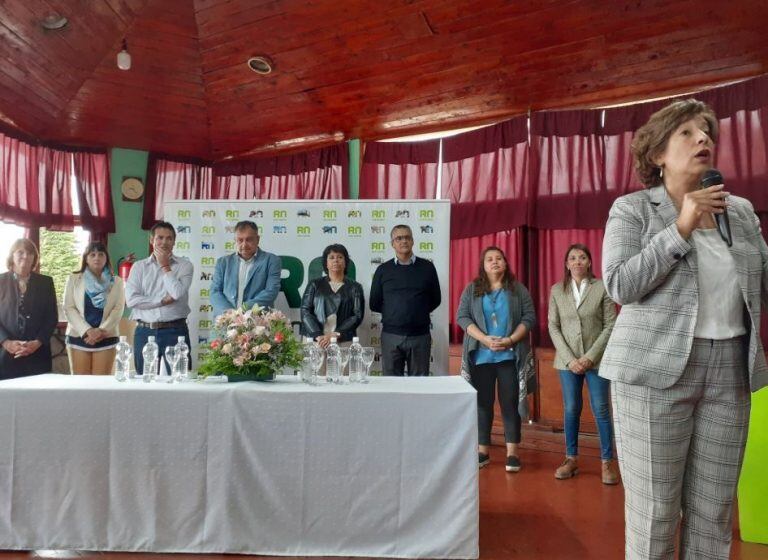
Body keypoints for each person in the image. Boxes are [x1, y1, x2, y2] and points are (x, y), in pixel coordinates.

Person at [601, 98, 768, 559]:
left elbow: (762, 282)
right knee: (656, 512)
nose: (704, 140)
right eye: (688, 133)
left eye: (708, 133)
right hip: (652, 373)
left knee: (714, 512)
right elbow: (621, 284)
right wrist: (682, 226)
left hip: (730, 370)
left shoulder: (741, 212)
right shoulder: (633, 210)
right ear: (657, 154)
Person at [456, 246, 536, 472]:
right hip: (481, 357)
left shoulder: (517, 289)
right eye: (489, 259)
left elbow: (529, 317)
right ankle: (483, 450)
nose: (494, 262)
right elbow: (462, 316)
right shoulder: (472, 289)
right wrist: (483, 339)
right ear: (483, 265)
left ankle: (512, 452)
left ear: (505, 263)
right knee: (483, 404)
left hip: (509, 356)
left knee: (510, 404)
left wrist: (510, 340)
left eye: (498, 258)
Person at [547, 243, 618, 484]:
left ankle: (607, 462)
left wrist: (589, 357)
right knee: (570, 409)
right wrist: (570, 359)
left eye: (582, 257)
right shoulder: (557, 290)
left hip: (596, 361)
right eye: (572, 258)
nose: (577, 261)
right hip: (568, 363)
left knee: (601, 409)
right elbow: (553, 326)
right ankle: (571, 459)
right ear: (566, 264)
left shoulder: (603, 288)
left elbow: (610, 324)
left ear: (589, 262)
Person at [370, 224, 441, 376]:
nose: (404, 241)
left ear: (413, 241)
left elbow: (436, 299)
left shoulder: (427, 267)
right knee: (391, 385)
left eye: (407, 237)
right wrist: (395, 313)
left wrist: (416, 312)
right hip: (391, 336)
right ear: (392, 243)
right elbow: (374, 302)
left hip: (420, 336)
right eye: (399, 238)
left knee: (419, 386)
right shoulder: (383, 270)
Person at [125, 221, 193, 375]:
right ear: (152, 240)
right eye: (160, 238)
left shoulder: (185, 265)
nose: (164, 242)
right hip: (145, 331)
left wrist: (165, 267)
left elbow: (177, 293)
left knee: (181, 383)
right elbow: (132, 300)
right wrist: (161, 301)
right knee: (145, 383)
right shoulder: (139, 267)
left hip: (176, 331)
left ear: (174, 241)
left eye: (169, 238)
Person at [63, 242, 125, 375]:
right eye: (93, 254)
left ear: (106, 258)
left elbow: (118, 309)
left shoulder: (117, 281)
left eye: (101, 254)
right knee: (80, 385)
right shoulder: (74, 279)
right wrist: (88, 331)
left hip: (106, 336)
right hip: (79, 336)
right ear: (86, 258)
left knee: (101, 385)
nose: (97, 258)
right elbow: (69, 308)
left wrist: (101, 331)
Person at [0, 238, 58, 379]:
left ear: (35, 258)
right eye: (20, 252)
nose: (25, 256)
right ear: (12, 255)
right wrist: (6, 342)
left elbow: (51, 317)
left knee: (39, 399)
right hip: (5, 354)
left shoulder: (46, 282)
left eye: (30, 253)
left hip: (37, 354)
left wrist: (37, 343)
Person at [210, 220, 281, 318]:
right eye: (240, 240)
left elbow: (271, 291)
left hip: (258, 324)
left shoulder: (271, 260)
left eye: (249, 239)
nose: (244, 245)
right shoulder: (223, 262)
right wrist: (230, 313)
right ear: (235, 240)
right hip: (225, 321)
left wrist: (242, 309)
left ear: (257, 239)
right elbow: (215, 292)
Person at [300, 244, 364, 348]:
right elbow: (305, 311)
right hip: (316, 340)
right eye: (331, 257)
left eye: (340, 257)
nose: (336, 261)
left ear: (346, 262)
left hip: (342, 340)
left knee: (341, 365)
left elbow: (357, 316)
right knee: (316, 365)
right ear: (326, 263)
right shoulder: (314, 285)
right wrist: (318, 335)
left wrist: (336, 334)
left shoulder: (355, 287)